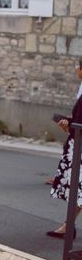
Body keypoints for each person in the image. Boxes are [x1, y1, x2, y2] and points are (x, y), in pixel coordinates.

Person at [47, 59, 82, 239]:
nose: (76, 70)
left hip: (80, 148)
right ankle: (68, 226)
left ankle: (68, 226)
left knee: (79, 188)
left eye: (77, 67)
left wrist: (69, 125)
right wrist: (69, 122)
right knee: (78, 190)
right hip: (77, 144)